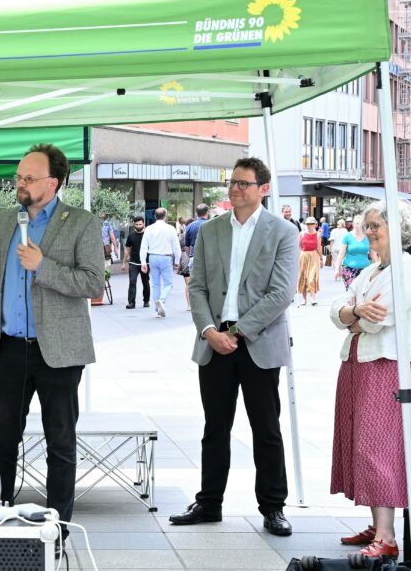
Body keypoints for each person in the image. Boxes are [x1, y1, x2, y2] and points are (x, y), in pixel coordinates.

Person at [0, 143, 104, 544]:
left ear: (52, 183)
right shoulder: (2, 222)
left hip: (59, 353)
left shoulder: (82, 223)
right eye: (19, 176)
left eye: (28, 178)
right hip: (9, 348)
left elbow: (91, 282)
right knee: (1, 440)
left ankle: (58, 530)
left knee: (61, 443)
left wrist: (44, 267)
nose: (20, 183)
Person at [171, 157, 298, 537]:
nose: (235, 189)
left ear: (263, 189)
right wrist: (210, 330)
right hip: (214, 342)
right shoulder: (210, 231)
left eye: (244, 183)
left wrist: (238, 332)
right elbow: (197, 286)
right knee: (214, 427)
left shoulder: (282, 231)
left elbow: (281, 293)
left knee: (266, 429)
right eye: (233, 183)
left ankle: (273, 507)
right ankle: (209, 503)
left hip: (257, 342)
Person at [328, 200, 411, 559]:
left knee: (379, 447)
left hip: (387, 366)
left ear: (396, 230)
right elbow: (337, 310)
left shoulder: (408, 268)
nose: (368, 232)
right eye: (366, 225)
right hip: (358, 364)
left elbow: (379, 318)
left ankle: (386, 536)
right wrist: (353, 312)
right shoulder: (371, 272)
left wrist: (352, 316)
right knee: (360, 443)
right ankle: (377, 525)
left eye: (375, 226)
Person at [138, 208, 181, 318]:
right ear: (165, 216)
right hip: (166, 258)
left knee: (156, 284)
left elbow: (143, 246)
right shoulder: (170, 228)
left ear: (155, 216)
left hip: (152, 257)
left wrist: (143, 262)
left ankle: (158, 310)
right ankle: (161, 300)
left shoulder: (148, 229)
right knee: (169, 284)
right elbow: (176, 246)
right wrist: (177, 260)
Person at [182, 204, 209, 310]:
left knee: (193, 283)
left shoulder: (190, 226)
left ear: (196, 213)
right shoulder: (209, 224)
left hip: (193, 258)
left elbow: (186, 246)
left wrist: (189, 257)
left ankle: (192, 305)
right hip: (207, 258)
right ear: (207, 213)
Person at [334, 217, 371, 290]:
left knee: (363, 292)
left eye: (361, 223)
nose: (359, 225)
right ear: (353, 225)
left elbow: (373, 254)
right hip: (349, 269)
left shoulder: (367, 237)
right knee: (351, 293)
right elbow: (341, 254)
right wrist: (337, 269)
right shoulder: (347, 237)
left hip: (365, 269)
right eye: (357, 223)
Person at [123, 216, 150, 309]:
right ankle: (131, 302)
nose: (138, 226)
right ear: (134, 224)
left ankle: (146, 300)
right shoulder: (131, 235)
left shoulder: (148, 234)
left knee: (145, 282)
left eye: (140, 224)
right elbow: (127, 249)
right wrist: (123, 263)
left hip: (145, 263)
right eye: (136, 224)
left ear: (144, 224)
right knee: (132, 281)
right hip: (133, 262)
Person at [298, 217, 323, 307]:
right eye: (308, 224)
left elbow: (319, 247)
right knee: (303, 277)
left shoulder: (318, 235)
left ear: (315, 225)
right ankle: (304, 299)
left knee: (312, 277)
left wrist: (321, 259)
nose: (309, 226)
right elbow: (298, 246)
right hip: (304, 255)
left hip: (314, 256)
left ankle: (313, 298)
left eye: (311, 224)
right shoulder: (302, 234)